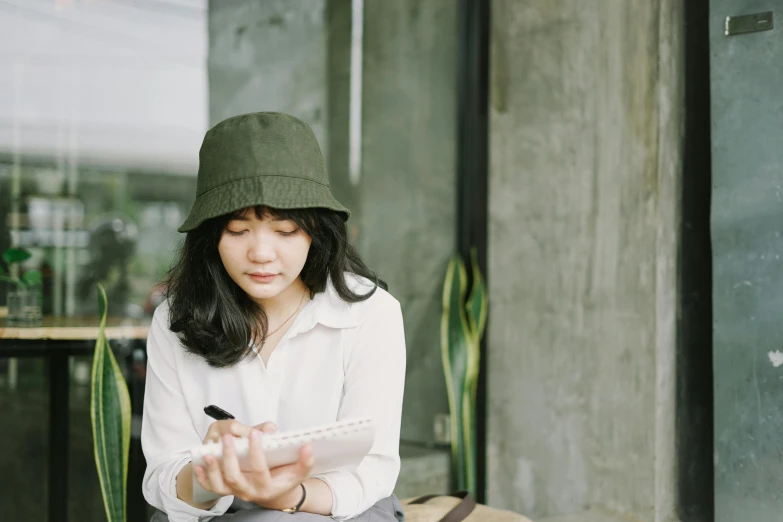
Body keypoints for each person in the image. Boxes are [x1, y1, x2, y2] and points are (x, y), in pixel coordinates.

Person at [141, 112, 406, 522]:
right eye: (237, 229)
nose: (262, 253)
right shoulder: (175, 321)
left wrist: (288, 495)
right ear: (210, 236)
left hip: (335, 511)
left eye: (285, 231)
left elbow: (372, 469)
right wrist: (211, 475)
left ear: (316, 230)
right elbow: (163, 477)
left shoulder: (371, 315)